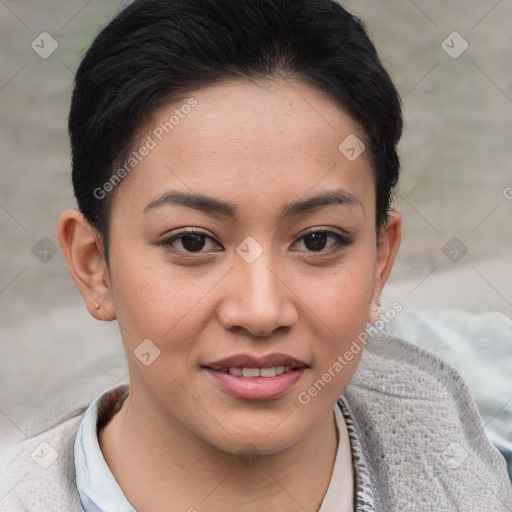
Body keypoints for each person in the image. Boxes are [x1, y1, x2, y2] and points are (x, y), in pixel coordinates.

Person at [1, 0, 511, 510]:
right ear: (94, 266)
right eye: (192, 241)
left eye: (317, 240)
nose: (261, 311)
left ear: (380, 263)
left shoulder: (474, 464)